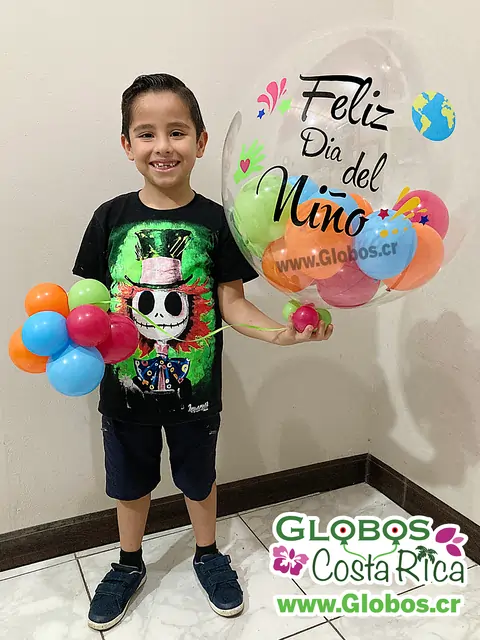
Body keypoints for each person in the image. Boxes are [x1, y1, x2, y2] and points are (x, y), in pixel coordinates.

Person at [73, 73, 334, 632]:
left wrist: (280, 335)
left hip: (196, 394)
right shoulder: (109, 219)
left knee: (198, 478)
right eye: (146, 134)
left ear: (202, 141)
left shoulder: (219, 222)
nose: (162, 146)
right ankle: (128, 563)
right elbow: (86, 304)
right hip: (124, 392)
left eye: (177, 132)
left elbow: (233, 305)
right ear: (127, 146)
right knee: (129, 483)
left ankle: (209, 553)